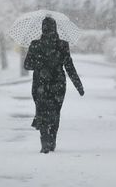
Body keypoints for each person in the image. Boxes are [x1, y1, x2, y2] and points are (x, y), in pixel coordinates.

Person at [24, 16, 84, 153]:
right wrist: (78, 85)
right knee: (55, 112)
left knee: (42, 111)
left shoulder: (35, 44)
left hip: (40, 84)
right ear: (55, 28)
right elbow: (69, 66)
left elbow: (27, 65)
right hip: (58, 84)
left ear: (42, 28)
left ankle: (45, 141)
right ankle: (52, 141)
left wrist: (40, 64)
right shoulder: (63, 44)